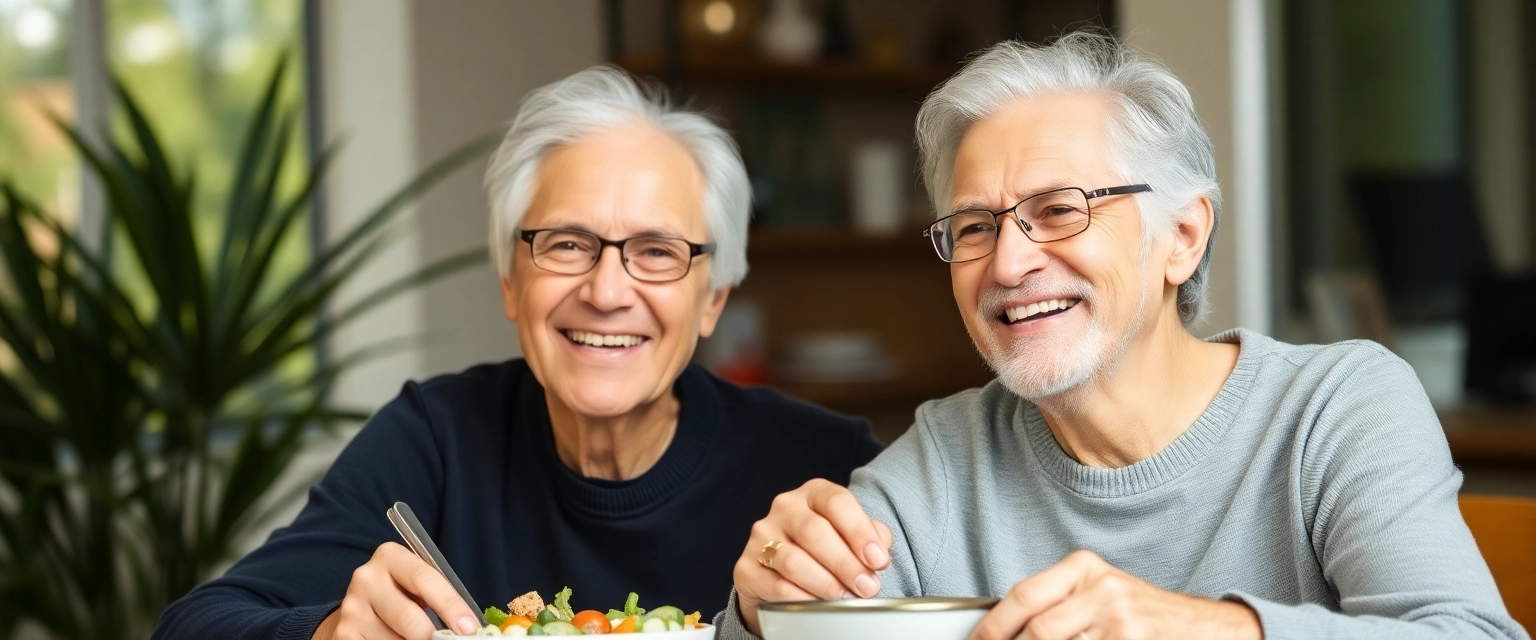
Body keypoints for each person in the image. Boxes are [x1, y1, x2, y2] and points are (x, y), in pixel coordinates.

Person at [718, 32, 1529, 640]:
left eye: (1060, 209)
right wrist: (763, 609)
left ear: (1181, 236)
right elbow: (823, 621)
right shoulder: (942, 457)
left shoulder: (1337, 406)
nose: (1007, 261)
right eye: (973, 227)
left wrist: (1206, 629)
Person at [154, 66, 883, 640]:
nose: (606, 291)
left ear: (713, 299)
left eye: (657, 252)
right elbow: (191, 626)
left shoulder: (825, 462)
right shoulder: (436, 438)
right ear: (511, 281)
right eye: (567, 244)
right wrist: (326, 632)